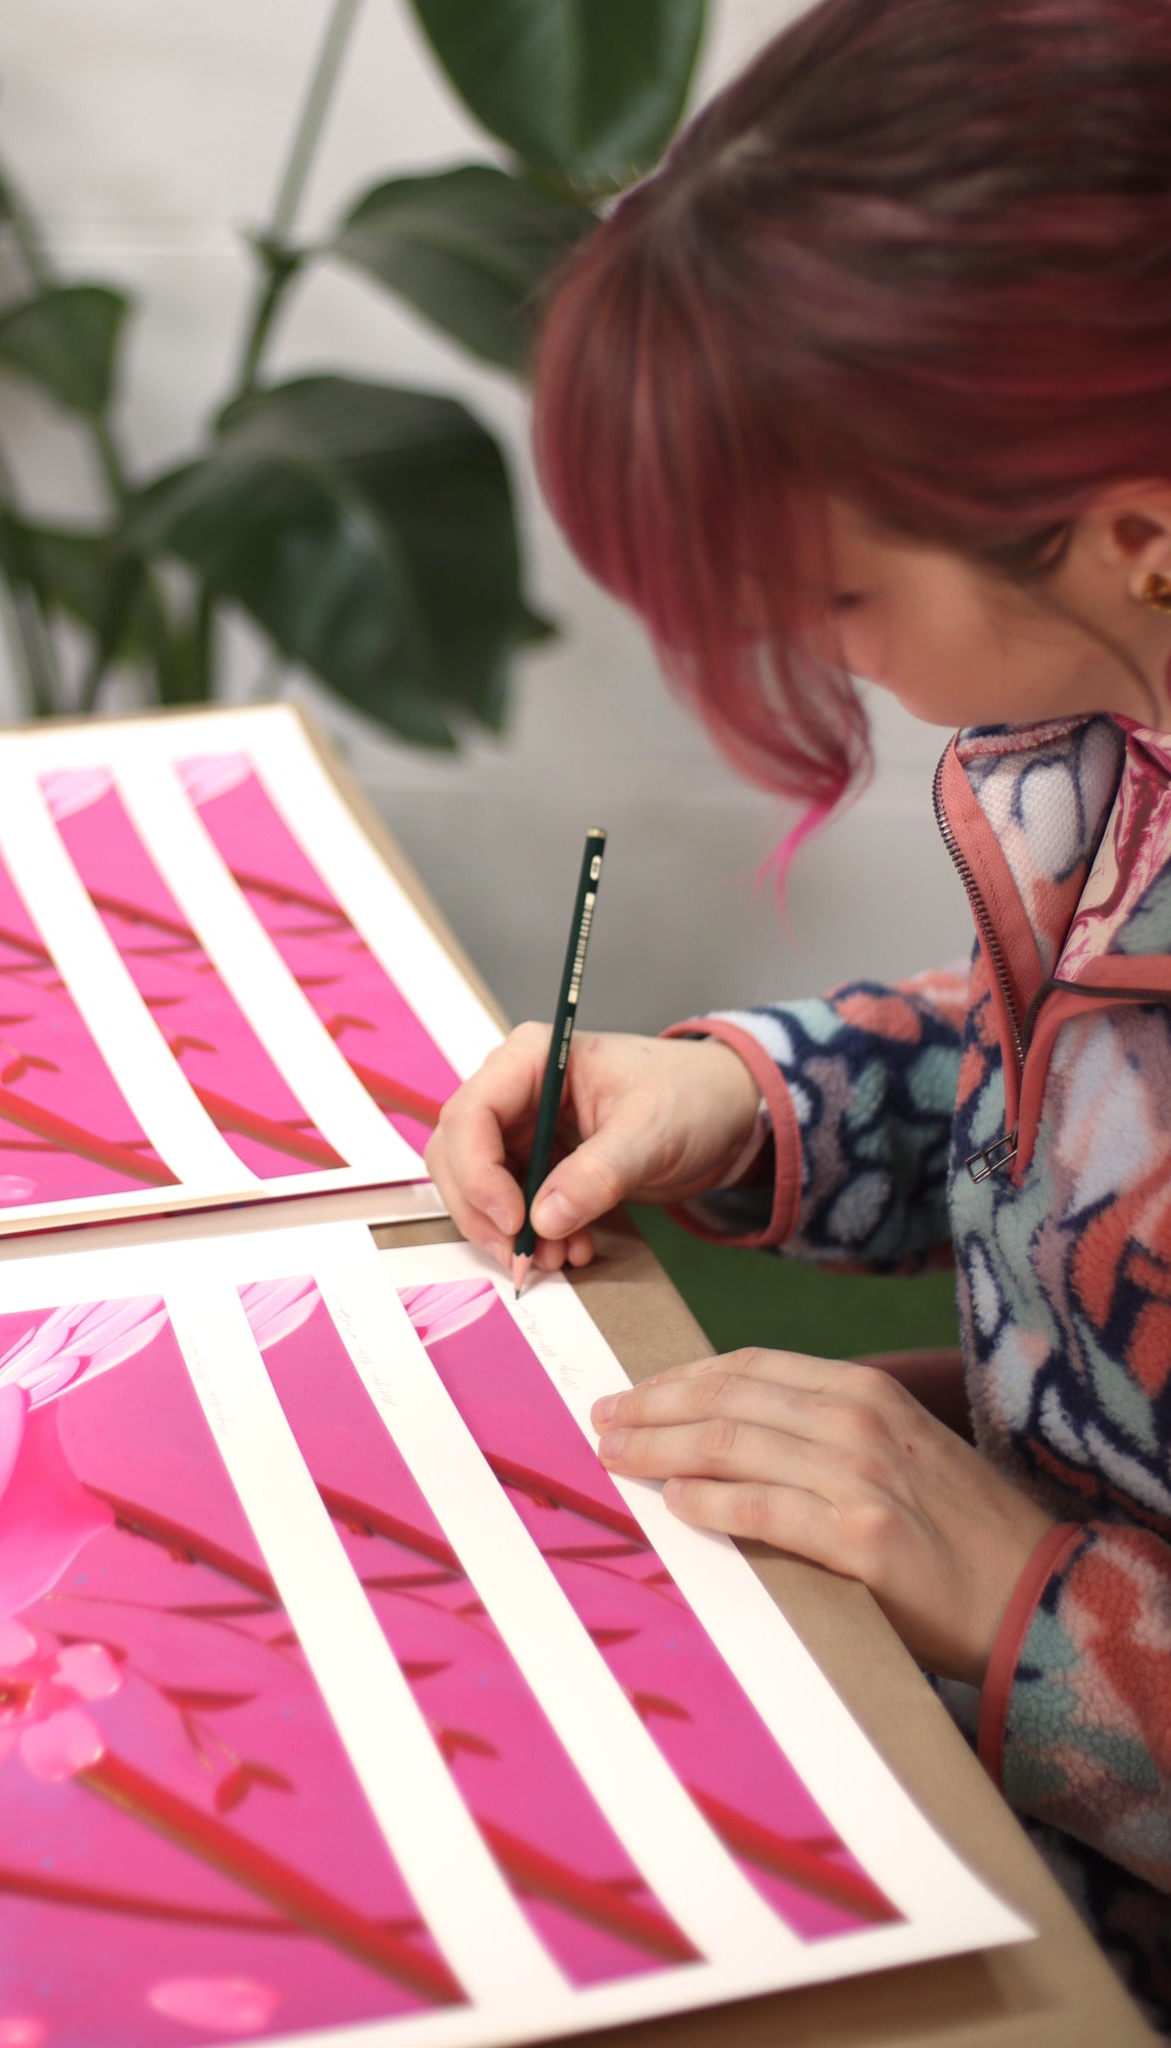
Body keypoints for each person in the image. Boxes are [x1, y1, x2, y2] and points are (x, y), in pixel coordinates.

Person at [423, 0, 1171, 2025]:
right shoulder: (1117, 734)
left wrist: (1018, 1591)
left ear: (1127, 525)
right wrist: (745, 1097)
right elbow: (1093, 1090)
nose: (792, 643)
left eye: (838, 596)